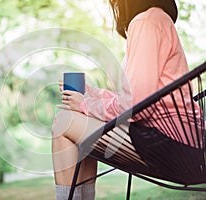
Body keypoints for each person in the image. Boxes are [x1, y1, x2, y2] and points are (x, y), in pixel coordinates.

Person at [51, 0, 201, 199]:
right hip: (184, 145)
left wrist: (86, 104)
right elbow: (139, 98)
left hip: (171, 147)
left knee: (64, 122)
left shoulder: (145, 21)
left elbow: (136, 107)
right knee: (73, 121)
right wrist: (92, 94)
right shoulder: (157, 19)